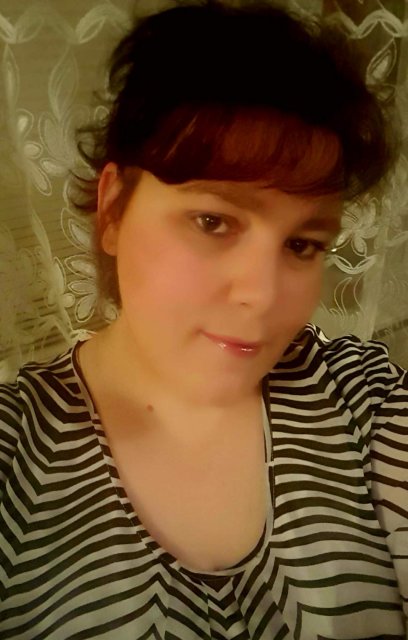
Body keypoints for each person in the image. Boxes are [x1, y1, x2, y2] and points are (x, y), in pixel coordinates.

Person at [0, 1, 407, 638]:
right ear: (113, 209)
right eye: (213, 221)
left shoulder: (362, 399)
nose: (262, 296)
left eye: (302, 244)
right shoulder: (16, 452)